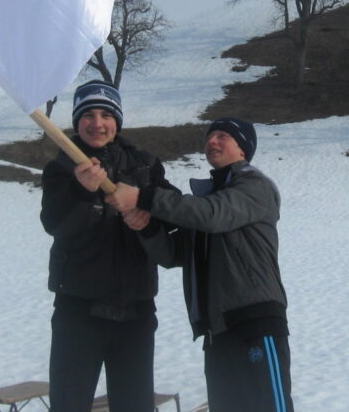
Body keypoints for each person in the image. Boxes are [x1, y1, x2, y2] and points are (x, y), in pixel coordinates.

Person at [108, 117, 293, 412]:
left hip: (256, 322)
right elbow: (174, 255)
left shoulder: (255, 186)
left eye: (223, 136)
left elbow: (213, 215)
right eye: (209, 137)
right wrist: (147, 228)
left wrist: (143, 196)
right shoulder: (207, 200)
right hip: (217, 329)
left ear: (244, 149)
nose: (212, 142)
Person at [39, 80, 175, 412]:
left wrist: (148, 216)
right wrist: (80, 191)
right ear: (77, 121)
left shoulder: (145, 165)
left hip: (136, 310)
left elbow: (173, 212)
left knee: (135, 405)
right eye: (88, 115)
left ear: (117, 120)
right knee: (69, 404)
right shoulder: (61, 168)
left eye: (105, 115)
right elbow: (54, 224)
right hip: (78, 310)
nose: (97, 123)